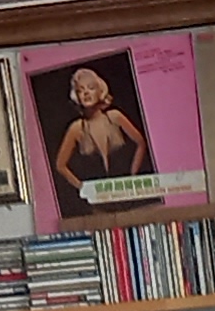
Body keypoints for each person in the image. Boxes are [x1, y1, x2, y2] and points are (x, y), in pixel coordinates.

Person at [47, 62, 150, 214]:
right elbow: (60, 165)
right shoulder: (76, 128)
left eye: (91, 87)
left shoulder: (115, 117)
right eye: (80, 90)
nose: (86, 93)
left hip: (128, 199)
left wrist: (132, 176)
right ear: (76, 97)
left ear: (100, 90)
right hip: (98, 206)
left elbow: (140, 143)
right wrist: (82, 188)